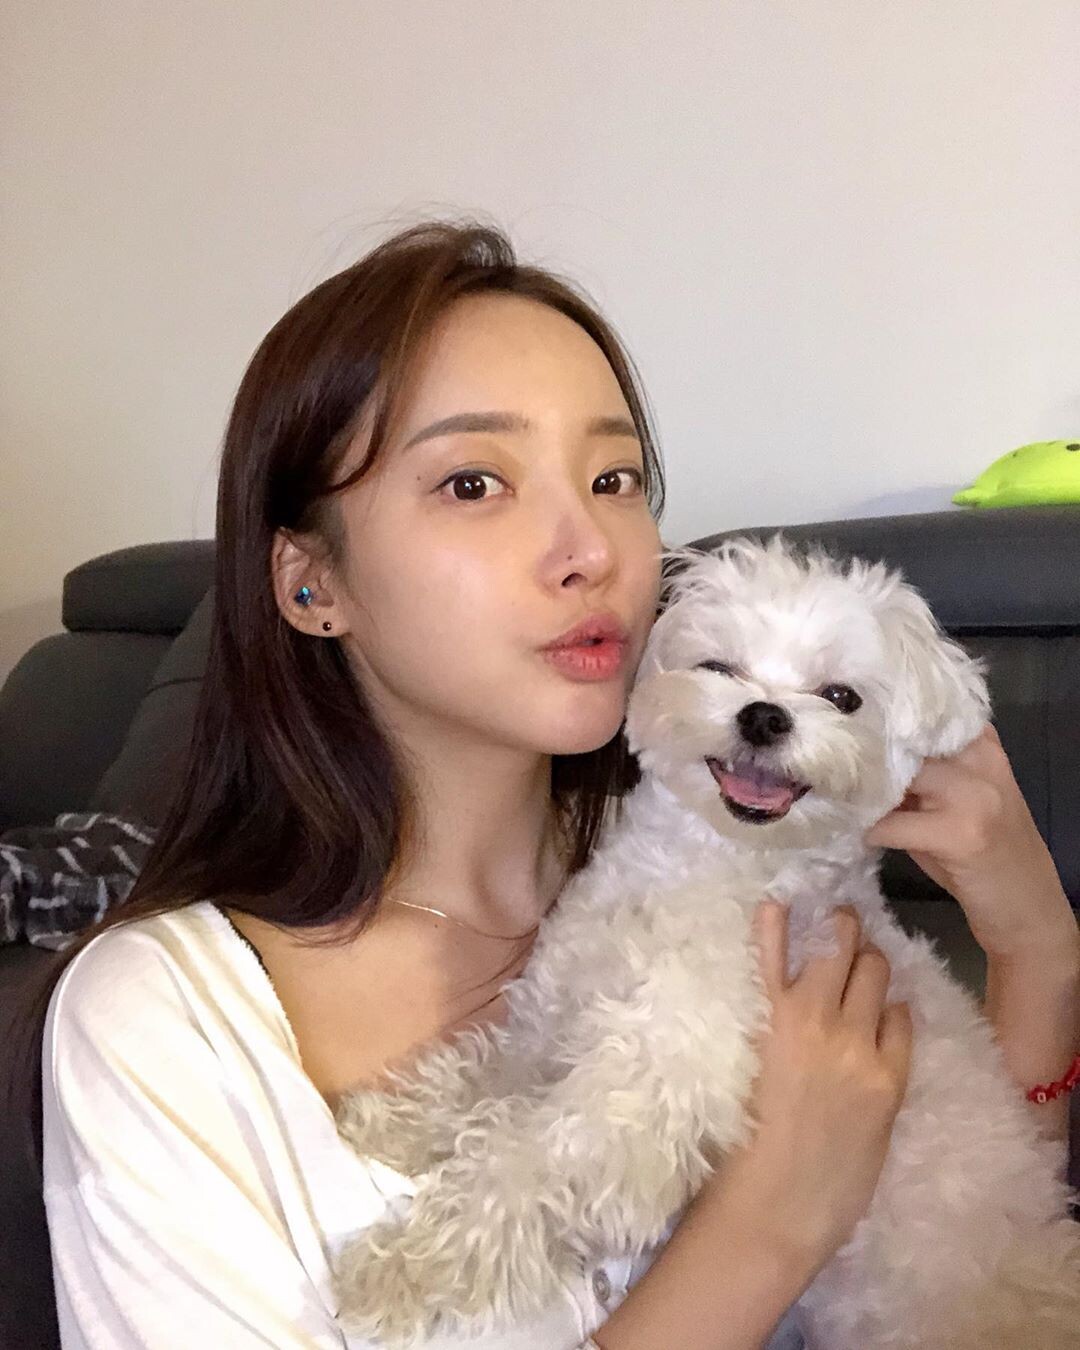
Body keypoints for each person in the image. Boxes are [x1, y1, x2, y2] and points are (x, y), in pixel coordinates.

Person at [28, 219, 1079, 1350]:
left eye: (614, 478)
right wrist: (771, 1223)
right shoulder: (158, 1030)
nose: (591, 549)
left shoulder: (736, 854)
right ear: (311, 583)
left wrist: (1035, 944)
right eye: (475, 482)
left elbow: (967, 1235)